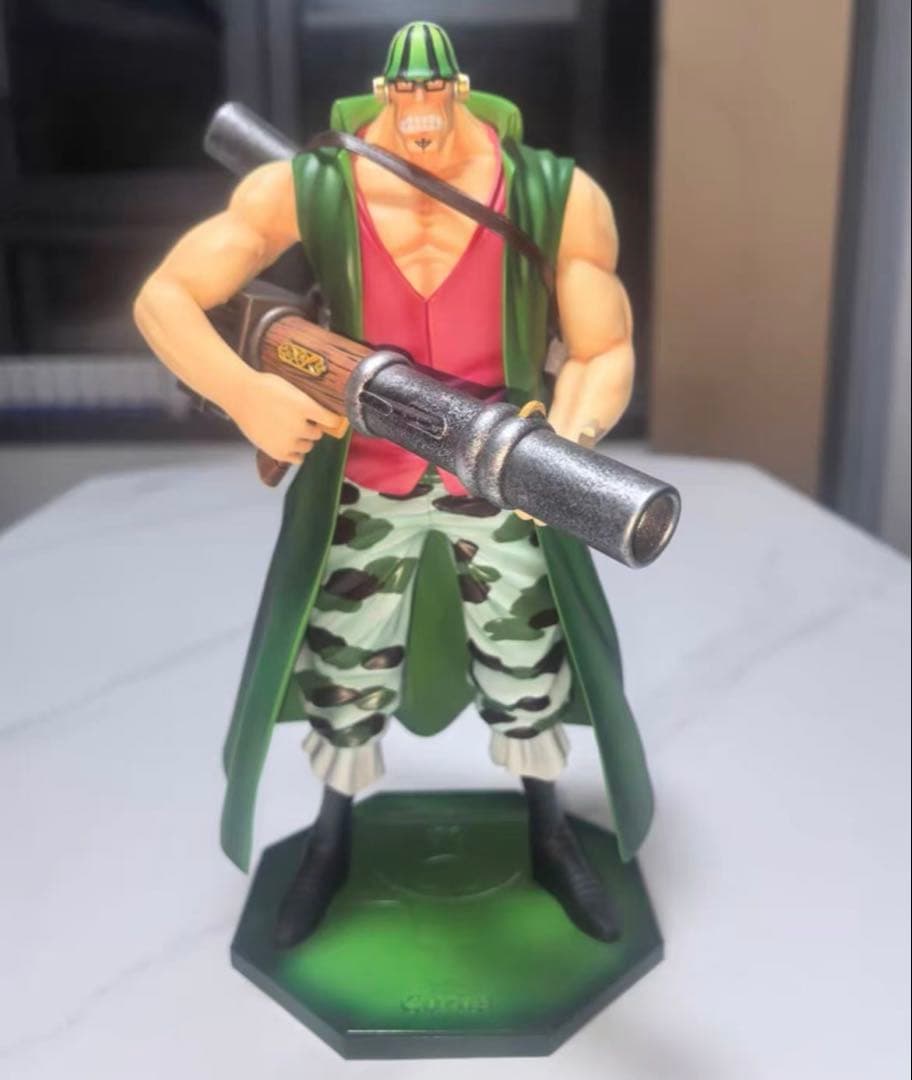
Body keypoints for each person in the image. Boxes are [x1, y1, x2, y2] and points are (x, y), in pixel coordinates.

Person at [134, 21, 653, 948]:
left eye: (432, 96)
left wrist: (560, 459)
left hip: (500, 473)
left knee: (528, 659)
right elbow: (165, 297)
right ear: (383, 91)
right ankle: (332, 835)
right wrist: (247, 395)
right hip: (365, 473)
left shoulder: (554, 192)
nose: (418, 115)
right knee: (342, 661)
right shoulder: (314, 183)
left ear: (458, 87)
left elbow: (603, 346)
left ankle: (547, 828)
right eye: (403, 97)